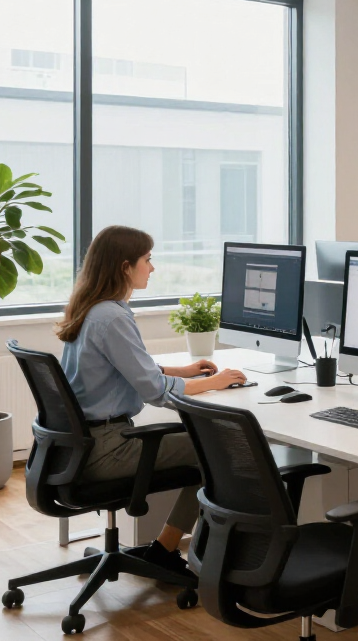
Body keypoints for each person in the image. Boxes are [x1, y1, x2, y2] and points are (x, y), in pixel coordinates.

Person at [56, 225, 246, 578]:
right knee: (219, 447)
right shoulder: (113, 317)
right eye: (147, 260)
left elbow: (124, 367)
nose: (152, 268)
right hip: (107, 450)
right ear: (125, 267)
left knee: (206, 441)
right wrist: (216, 382)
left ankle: (172, 546)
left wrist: (183, 371)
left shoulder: (90, 309)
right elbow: (156, 392)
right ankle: (170, 549)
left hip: (82, 445)